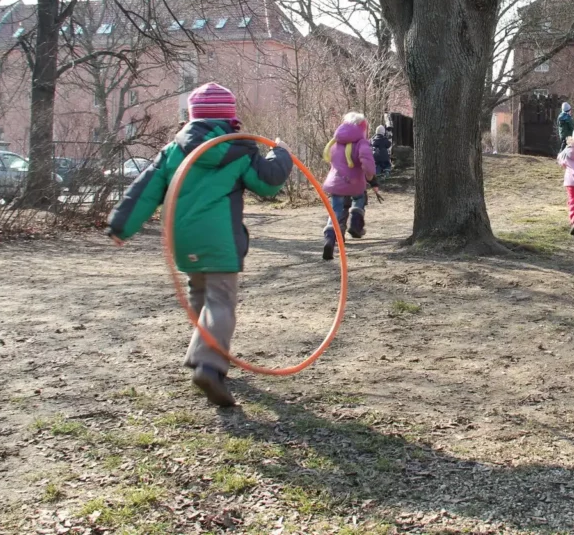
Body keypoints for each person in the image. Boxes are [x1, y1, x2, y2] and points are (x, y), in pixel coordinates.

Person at [107, 83, 293, 407]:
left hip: (184, 239)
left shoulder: (174, 150)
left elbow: (144, 190)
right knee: (220, 301)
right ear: (230, 117)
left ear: (192, 117)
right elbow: (267, 183)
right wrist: (281, 153)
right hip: (221, 240)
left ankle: (202, 355)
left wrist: (120, 226)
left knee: (200, 293)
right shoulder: (239, 150)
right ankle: (208, 364)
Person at [322, 111, 378, 261]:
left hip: (336, 183)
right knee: (359, 199)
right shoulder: (361, 142)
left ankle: (329, 239)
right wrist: (370, 175)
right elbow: (367, 161)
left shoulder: (336, 141)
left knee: (335, 211)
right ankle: (355, 223)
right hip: (354, 183)